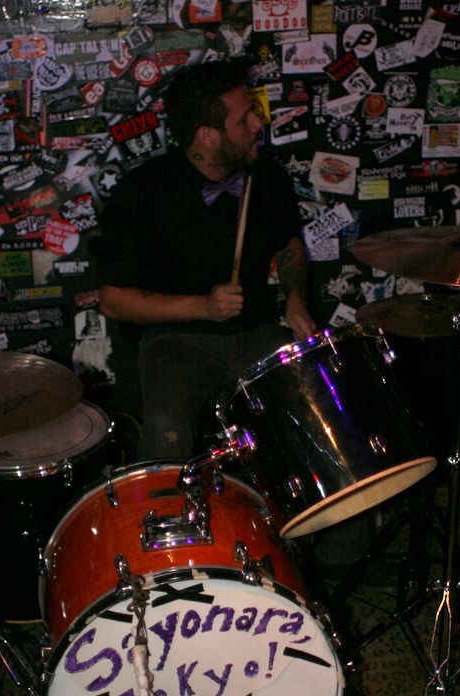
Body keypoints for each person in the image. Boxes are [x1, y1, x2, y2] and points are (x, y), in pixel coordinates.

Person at [94, 58, 315, 461]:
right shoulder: (143, 192)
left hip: (257, 333)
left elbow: (290, 248)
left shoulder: (266, 177)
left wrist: (296, 298)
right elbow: (113, 300)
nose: (258, 124)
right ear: (208, 137)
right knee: (166, 430)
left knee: (317, 409)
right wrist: (204, 307)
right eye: (244, 118)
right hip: (174, 340)